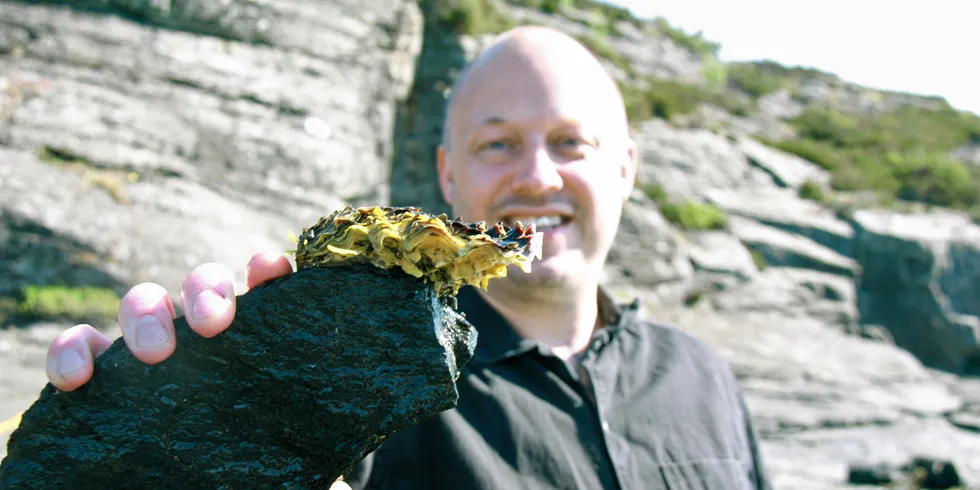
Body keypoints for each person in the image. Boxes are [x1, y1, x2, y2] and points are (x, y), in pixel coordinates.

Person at [43, 25, 772, 489]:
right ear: (448, 175)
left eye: (571, 143)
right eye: (498, 144)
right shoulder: (353, 372)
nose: (538, 176)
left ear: (625, 168)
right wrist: (149, 427)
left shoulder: (704, 378)